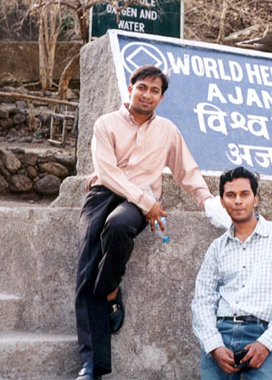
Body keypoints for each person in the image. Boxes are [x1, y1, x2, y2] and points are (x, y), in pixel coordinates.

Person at [74, 64, 229, 380]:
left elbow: (186, 171)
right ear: (130, 89)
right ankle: (92, 365)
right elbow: (107, 172)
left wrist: (208, 202)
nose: (147, 94)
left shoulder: (168, 131)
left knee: (118, 228)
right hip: (104, 194)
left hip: (136, 203)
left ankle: (110, 289)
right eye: (142, 87)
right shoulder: (106, 124)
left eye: (154, 90)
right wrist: (149, 203)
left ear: (161, 97)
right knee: (87, 265)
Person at [192, 166, 272, 379]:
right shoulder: (217, 248)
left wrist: (266, 343)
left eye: (244, 194)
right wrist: (214, 345)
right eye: (230, 195)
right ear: (223, 202)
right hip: (221, 335)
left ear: (255, 199)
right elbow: (202, 301)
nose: (237, 201)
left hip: (263, 333)